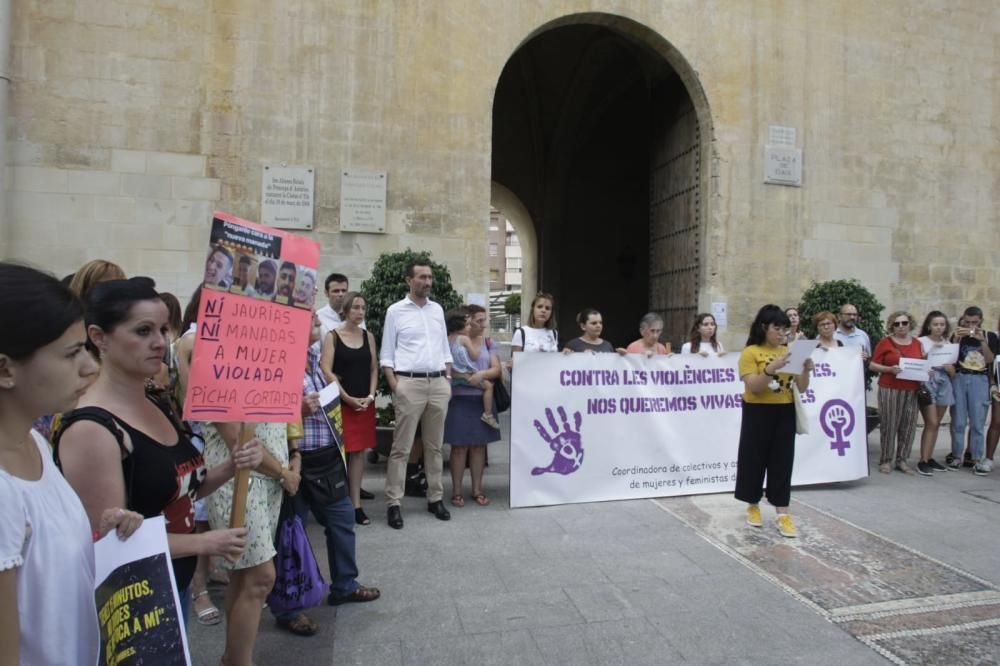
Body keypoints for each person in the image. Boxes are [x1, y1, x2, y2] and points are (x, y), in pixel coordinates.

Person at [54, 278, 258, 630]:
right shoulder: (91, 429)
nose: (159, 342)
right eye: (143, 330)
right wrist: (207, 541)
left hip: (170, 582)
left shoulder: (156, 402)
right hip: (130, 601)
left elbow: (180, 489)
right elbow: (109, 541)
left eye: (163, 329)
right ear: (99, 337)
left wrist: (231, 466)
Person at [0, 263, 143, 666]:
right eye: (71, 353)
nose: (90, 367)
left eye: (86, 348)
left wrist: (104, 535)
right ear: (6, 368)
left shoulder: (33, 442)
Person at [273, 313, 380, 636]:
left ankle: (345, 585)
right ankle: (290, 607)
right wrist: (295, 409)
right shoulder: (278, 364)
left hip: (328, 456)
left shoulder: (314, 360)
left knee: (342, 521)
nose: (317, 320)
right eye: (310, 319)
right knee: (291, 535)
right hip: (295, 463)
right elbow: (263, 412)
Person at [379, 259, 454, 529]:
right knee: (401, 447)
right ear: (408, 280)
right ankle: (393, 502)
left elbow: (445, 348)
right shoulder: (395, 311)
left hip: (438, 384)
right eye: (422, 277)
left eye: (430, 277)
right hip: (408, 384)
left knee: (435, 447)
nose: (427, 282)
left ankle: (435, 498)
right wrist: (395, 384)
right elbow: (387, 353)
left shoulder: (437, 310)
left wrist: (447, 379)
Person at [735, 305, 813, 538]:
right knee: (753, 459)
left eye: (784, 329)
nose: (781, 334)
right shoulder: (750, 352)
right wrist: (771, 368)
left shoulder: (789, 351)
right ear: (764, 328)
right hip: (757, 411)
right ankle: (753, 504)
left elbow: (802, 387)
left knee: (782, 461)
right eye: (776, 328)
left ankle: (783, 513)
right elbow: (755, 387)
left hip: (784, 411)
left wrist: (807, 370)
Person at [320, 295, 378, 526]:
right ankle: (335, 505)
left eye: (363, 307)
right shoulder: (332, 336)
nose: (360, 312)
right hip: (342, 403)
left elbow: (374, 368)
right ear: (345, 310)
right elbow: (326, 369)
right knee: (338, 455)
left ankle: (356, 505)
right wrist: (346, 397)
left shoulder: (369, 336)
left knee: (358, 454)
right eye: (355, 307)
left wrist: (371, 396)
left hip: (364, 403)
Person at [444, 304, 503, 507]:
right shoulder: (455, 339)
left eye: (483, 320)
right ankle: (457, 492)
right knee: (458, 448)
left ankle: (477, 490)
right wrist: (461, 376)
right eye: (478, 320)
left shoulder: (488, 342)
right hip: (459, 399)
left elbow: (497, 370)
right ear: (466, 321)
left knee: (479, 448)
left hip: (481, 400)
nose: (482, 324)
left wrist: (481, 375)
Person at [870, 311, 924, 475]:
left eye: (904, 323)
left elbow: (922, 363)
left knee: (908, 425)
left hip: (912, 389)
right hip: (890, 387)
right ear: (892, 326)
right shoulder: (885, 343)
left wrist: (926, 372)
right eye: (897, 324)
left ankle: (902, 459)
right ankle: (886, 459)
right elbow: (872, 364)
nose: (901, 326)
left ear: (910, 324)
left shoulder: (917, 343)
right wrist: (888, 369)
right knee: (889, 423)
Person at [947, 306, 996, 475]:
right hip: (960, 377)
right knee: (958, 420)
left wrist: (981, 340)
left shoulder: (989, 336)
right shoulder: (958, 335)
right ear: (963, 320)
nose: (970, 325)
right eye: (967, 322)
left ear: (980, 321)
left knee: (977, 421)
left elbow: (990, 360)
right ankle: (956, 455)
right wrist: (956, 340)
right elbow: (950, 357)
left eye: (974, 322)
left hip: (980, 379)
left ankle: (976, 457)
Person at [447, 308, 500, 430]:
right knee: (488, 386)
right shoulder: (464, 339)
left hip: (454, 380)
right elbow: (474, 356)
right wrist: (476, 351)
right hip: (468, 376)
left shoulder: (447, 338)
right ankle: (488, 414)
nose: (470, 327)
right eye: (468, 324)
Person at [916, 311, 954, 476]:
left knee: (937, 422)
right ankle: (923, 460)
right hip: (927, 382)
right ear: (929, 326)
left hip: (944, 382)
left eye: (942, 324)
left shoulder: (948, 343)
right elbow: (916, 361)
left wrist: (949, 368)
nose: (939, 328)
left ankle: (929, 457)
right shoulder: (921, 341)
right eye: (936, 324)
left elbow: (953, 370)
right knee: (931, 421)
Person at [509, 292, 559, 367]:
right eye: (539, 307)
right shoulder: (521, 332)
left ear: (551, 313)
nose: (543, 310)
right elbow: (514, 363)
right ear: (533, 310)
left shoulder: (554, 333)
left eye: (547, 308)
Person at [316, 272, 366, 338]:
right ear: (326, 293)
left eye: (344, 291)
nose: (341, 294)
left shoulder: (356, 315)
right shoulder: (319, 317)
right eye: (336, 291)